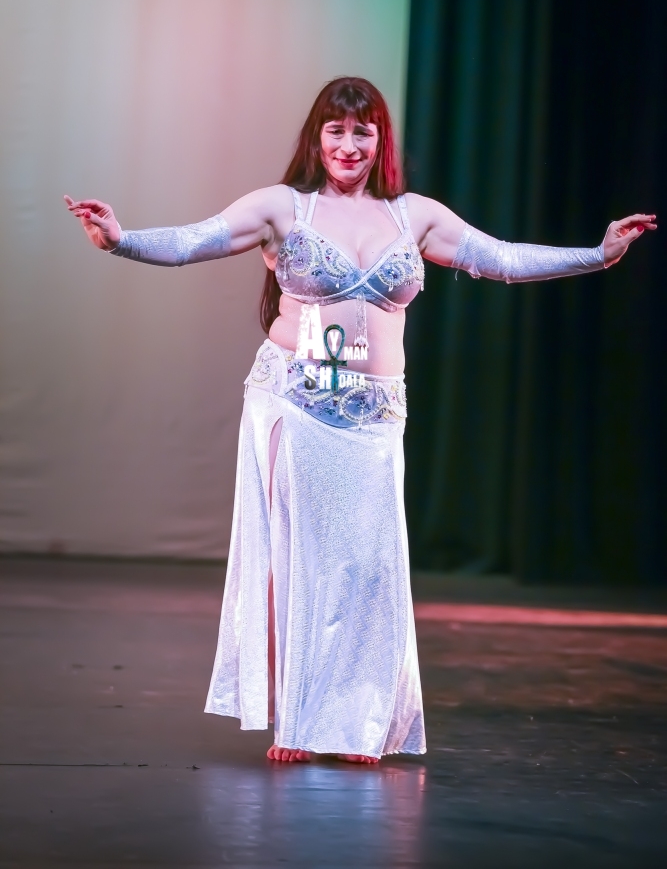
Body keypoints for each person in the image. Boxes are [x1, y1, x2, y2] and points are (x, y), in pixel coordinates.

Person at [66, 76, 656, 764]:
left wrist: (597, 254)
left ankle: (358, 723)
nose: (349, 145)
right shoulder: (283, 207)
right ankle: (298, 720)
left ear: (381, 141)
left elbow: (500, 258)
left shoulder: (413, 217)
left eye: (363, 132)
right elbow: (195, 241)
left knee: (370, 570)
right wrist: (119, 240)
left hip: (374, 415)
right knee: (304, 561)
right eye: (337, 131)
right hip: (296, 401)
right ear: (317, 138)